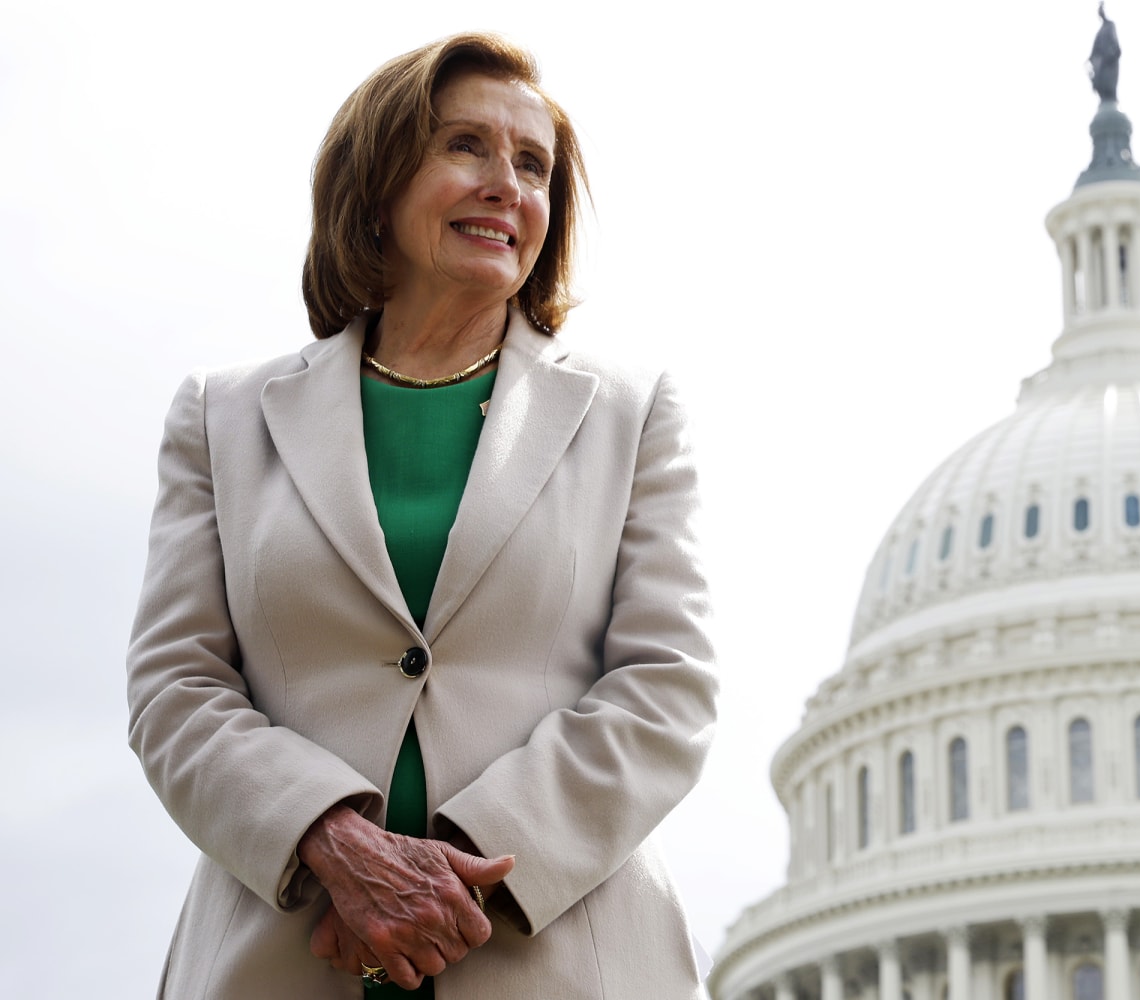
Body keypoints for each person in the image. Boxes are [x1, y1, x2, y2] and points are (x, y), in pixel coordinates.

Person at [126, 31, 717, 999]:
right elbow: (174, 686)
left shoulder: (631, 412)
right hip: (285, 955)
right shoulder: (221, 415)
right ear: (378, 180)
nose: (506, 185)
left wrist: (459, 867)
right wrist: (330, 840)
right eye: (466, 147)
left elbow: (667, 686)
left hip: (554, 955)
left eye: (534, 166)